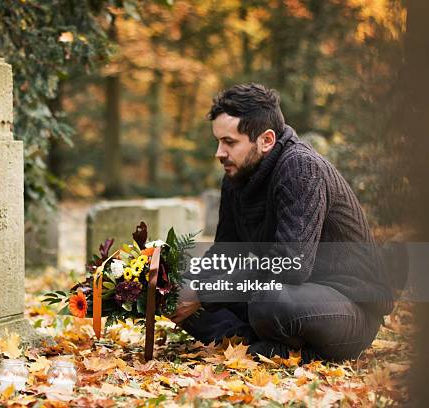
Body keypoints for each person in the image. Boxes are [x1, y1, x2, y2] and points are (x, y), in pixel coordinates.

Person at [169, 83, 394, 362]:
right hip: (288, 293)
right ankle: (251, 343)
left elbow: (291, 265)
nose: (219, 152)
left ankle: (277, 346)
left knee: (267, 300)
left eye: (230, 142)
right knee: (175, 287)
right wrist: (180, 287)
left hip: (347, 308)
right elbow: (226, 254)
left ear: (266, 139)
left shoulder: (300, 168)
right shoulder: (235, 177)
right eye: (218, 141)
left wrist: (205, 292)